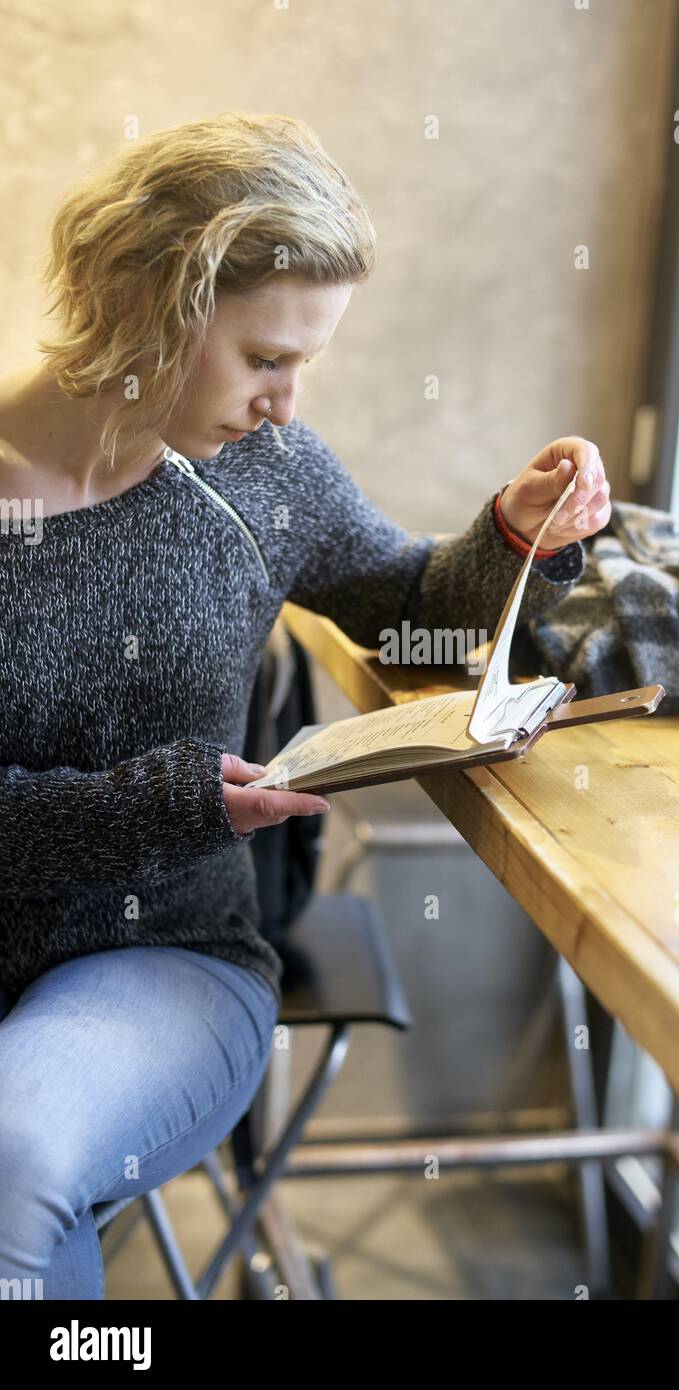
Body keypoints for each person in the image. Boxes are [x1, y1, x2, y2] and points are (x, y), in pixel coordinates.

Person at [0, 111, 611, 1299]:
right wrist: (164, 800)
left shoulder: (265, 478)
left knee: (13, 1154)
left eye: (304, 366)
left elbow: (420, 608)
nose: (285, 401)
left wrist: (518, 533)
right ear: (149, 300)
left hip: (164, 962)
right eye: (265, 357)